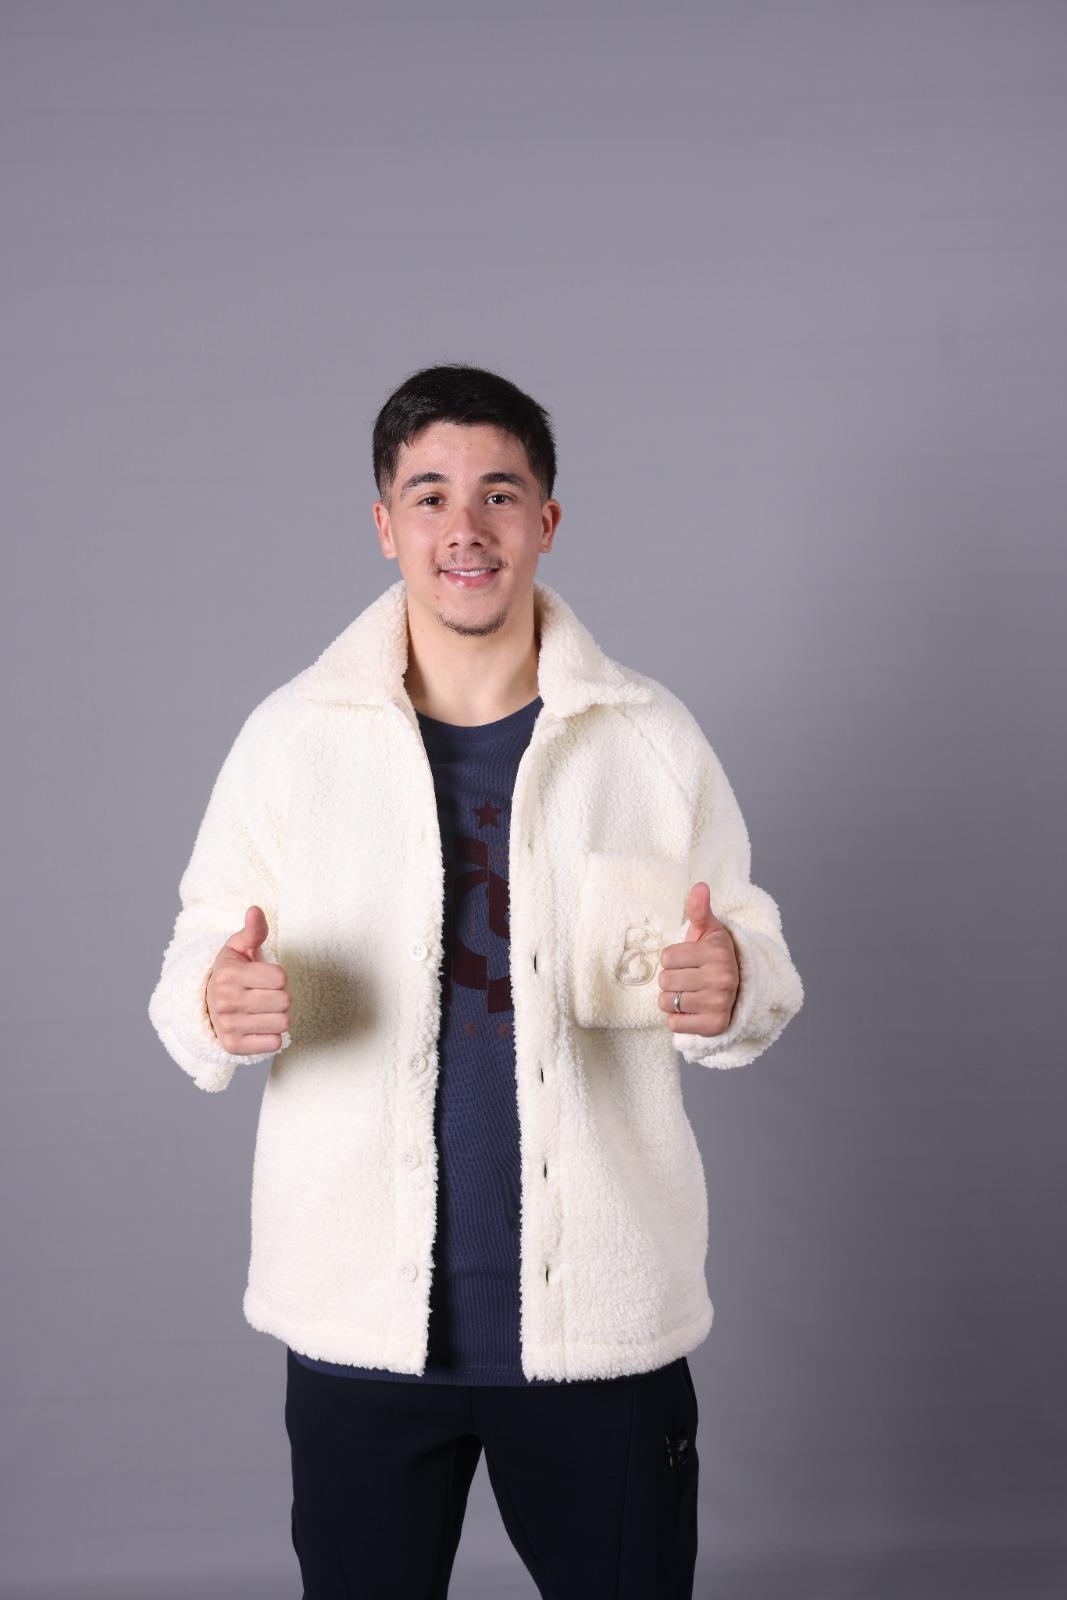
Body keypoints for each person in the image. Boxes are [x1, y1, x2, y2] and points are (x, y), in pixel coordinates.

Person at [148, 362, 804, 1598]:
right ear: (383, 523)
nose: (465, 527)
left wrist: (735, 983)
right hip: (357, 1324)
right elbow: (198, 949)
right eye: (430, 495)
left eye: (499, 494)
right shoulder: (291, 739)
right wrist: (211, 1003)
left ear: (544, 521)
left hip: (601, 1327)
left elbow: (749, 945)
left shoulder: (647, 737)